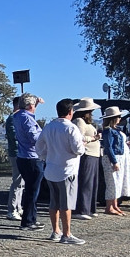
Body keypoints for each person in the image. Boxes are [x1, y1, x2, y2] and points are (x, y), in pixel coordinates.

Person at [36, 98, 86, 245]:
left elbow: (39, 147)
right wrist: (82, 147)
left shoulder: (49, 127)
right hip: (67, 170)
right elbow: (77, 149)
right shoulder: (71, 128)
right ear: (71, 112)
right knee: (66, 204)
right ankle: (67, 234)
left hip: (51, 169)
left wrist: (46, 157)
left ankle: (55, 230)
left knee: (54, 202)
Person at [14, 93, 46, 231]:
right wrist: (45, 136)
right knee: (33, 191)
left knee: (31, 189)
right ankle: (27, 221)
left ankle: (31, 218)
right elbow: (34, 137)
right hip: (32, 157)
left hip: (23, 157)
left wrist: (35, 103)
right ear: (30, 105)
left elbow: (26, 113)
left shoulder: (17, 116)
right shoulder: (27, 119)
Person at [71, 97, 102, 221]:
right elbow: (79, 137)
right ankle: (81, 209)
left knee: (93, 183)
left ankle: (90, 208)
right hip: (87, 154)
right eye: (90, 111)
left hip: (94, 154)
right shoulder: (79, 121)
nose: (92, 114)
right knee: (85, 182)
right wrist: (94, 138)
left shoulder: (87, 123)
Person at [100, 106, 130, 215]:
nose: (120, 118)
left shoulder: (115, 130)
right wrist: (114, 161)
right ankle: (109, 206)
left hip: (119, 157)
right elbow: (108, 147)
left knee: (117, 182)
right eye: (118, 116)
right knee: (112, 182)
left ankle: (115, 204)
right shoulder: (108, 131)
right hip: (112, 158)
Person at [4, 96, 24, 221]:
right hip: (16, 153)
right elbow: (14, 137)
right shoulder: (12, 119)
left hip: (20, 152)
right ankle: (12, 209)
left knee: (22, 182)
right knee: (17, 182)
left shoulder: (17, 118)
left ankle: (18, 206)